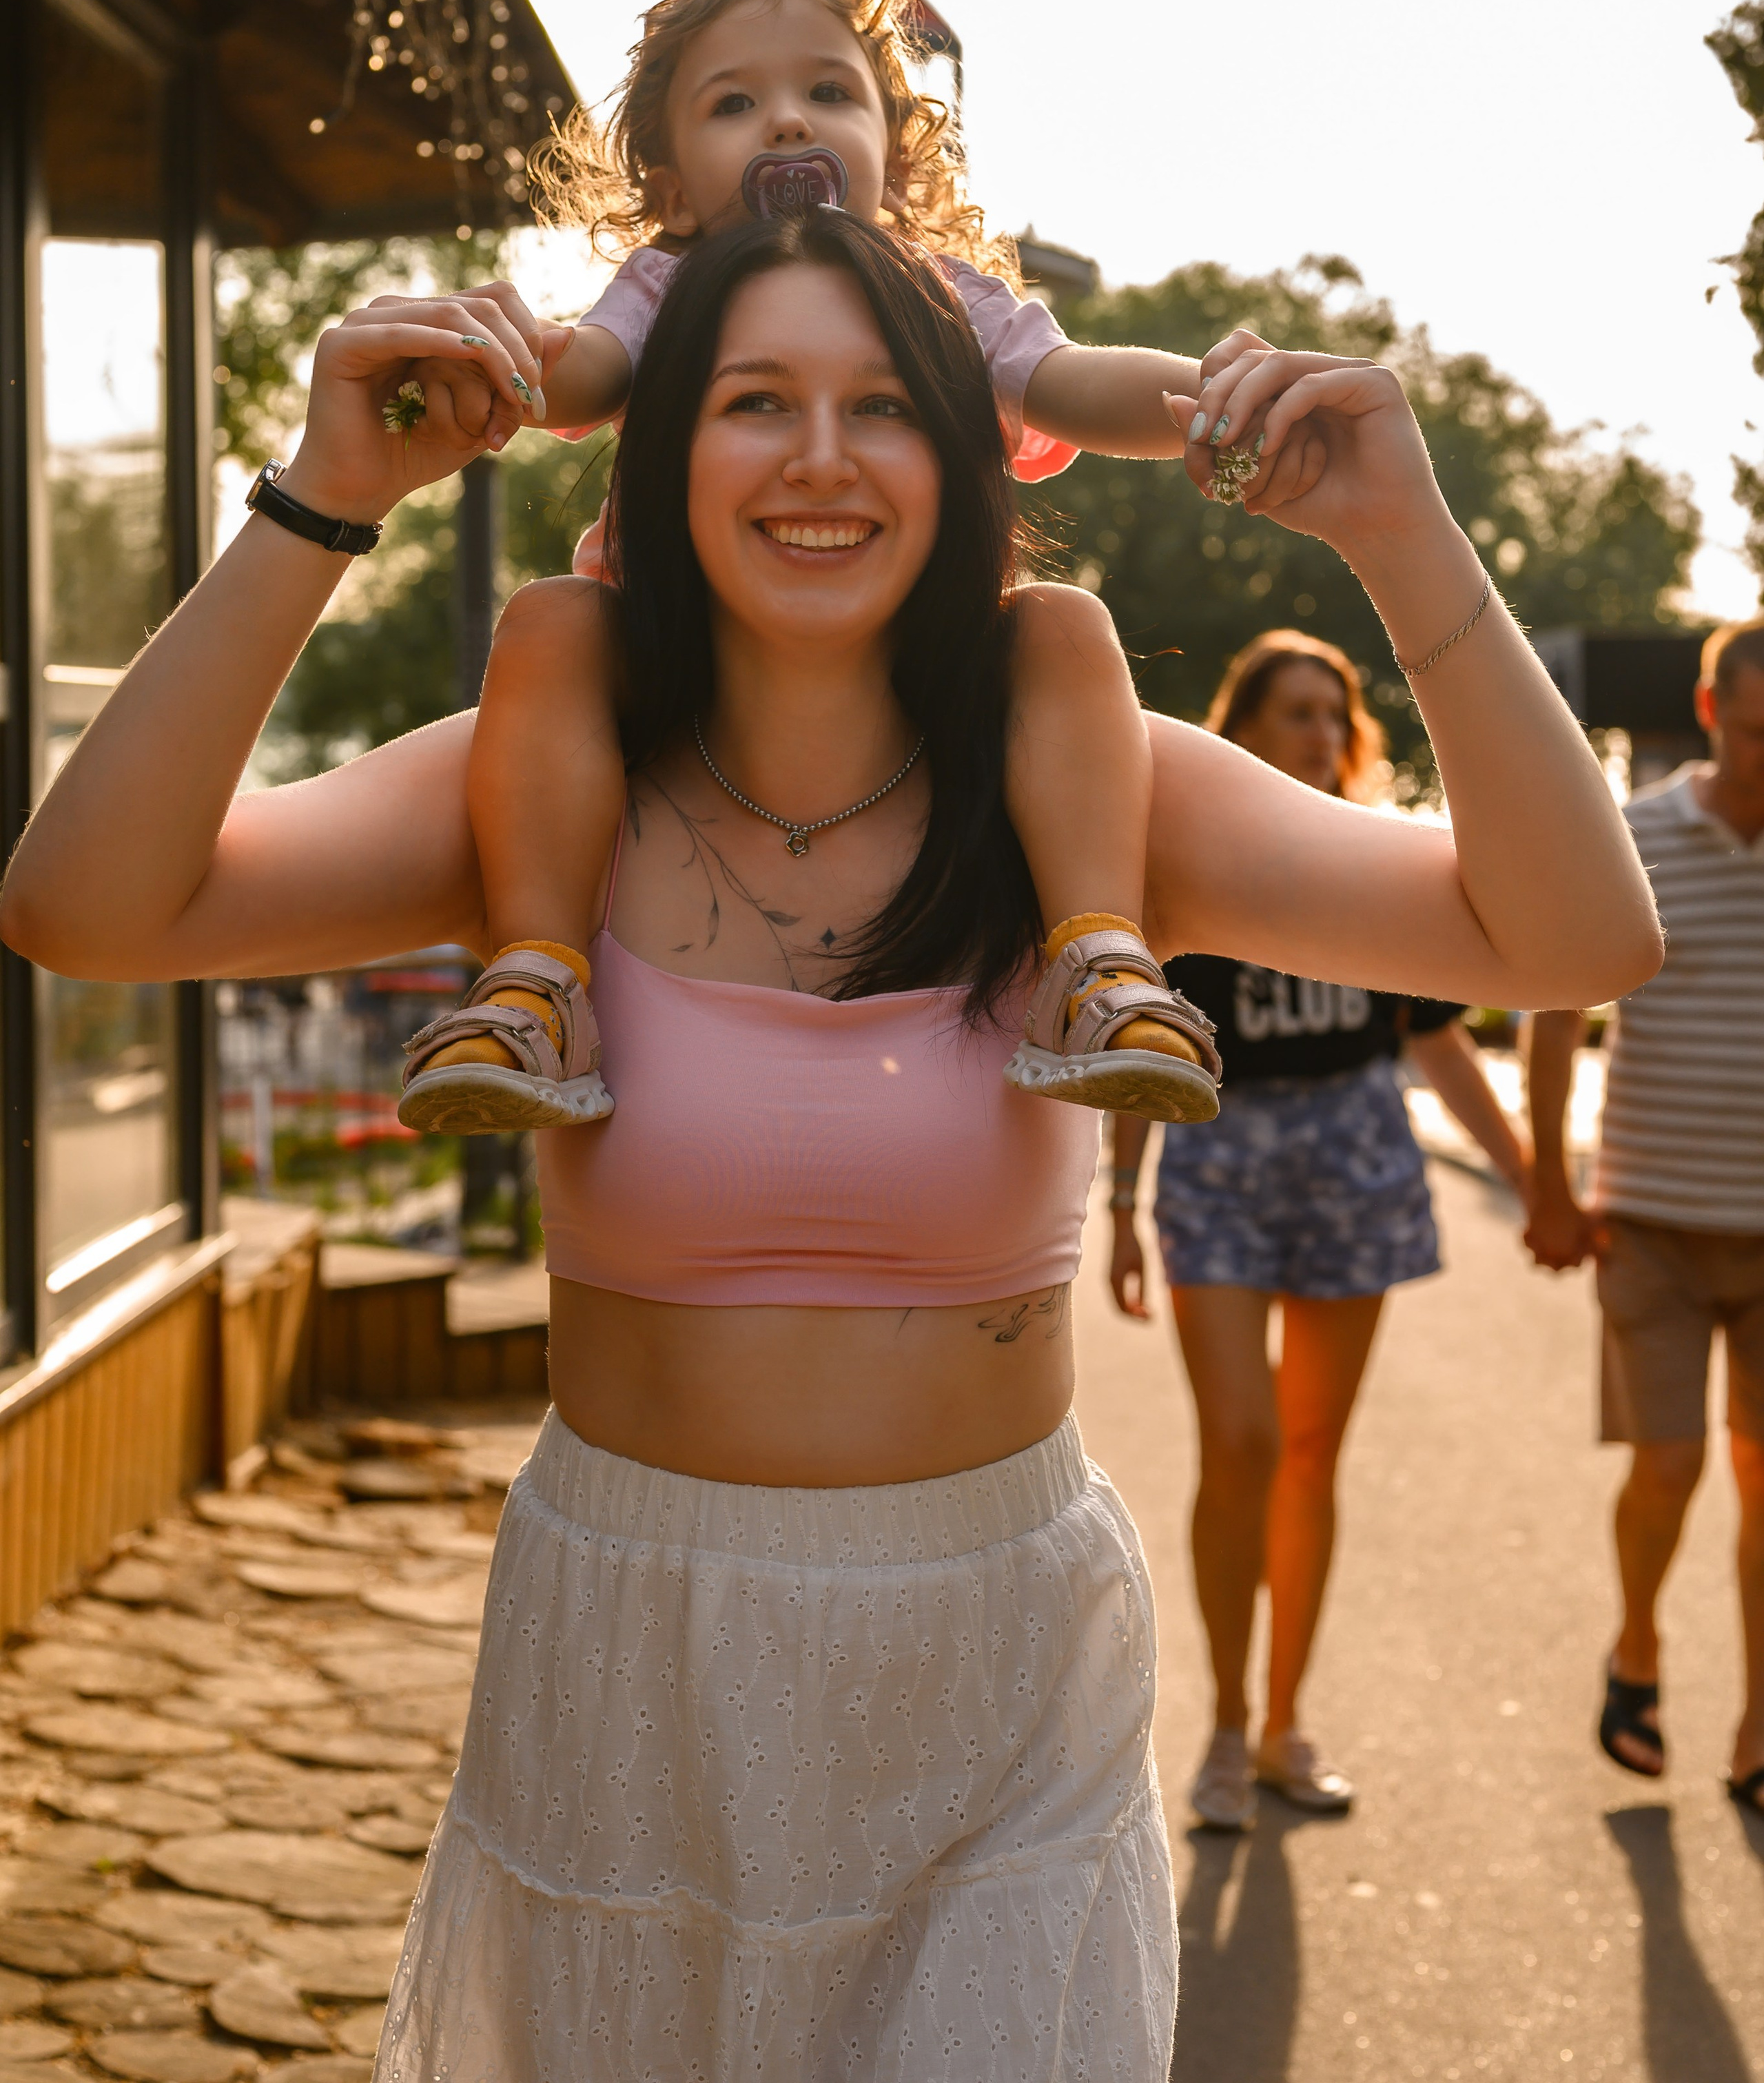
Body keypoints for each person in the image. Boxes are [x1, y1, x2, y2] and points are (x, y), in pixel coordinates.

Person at [1, 217, 1660, 2080]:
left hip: (1000, 1676)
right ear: (659, 454)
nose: (818, 456)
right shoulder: (542, 778)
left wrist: (1400, 537)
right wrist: (321, 500)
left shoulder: (1090, 791)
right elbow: (87, 905)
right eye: (753, 401)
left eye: (883, 406)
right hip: (632, 1664)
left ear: (966, 463)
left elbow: (1578, 944)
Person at [389, 0, 1231, 1140]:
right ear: (675, 193)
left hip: (915, 664)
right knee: (548, 624)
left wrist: (1221, 397)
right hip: (676, 655)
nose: (787, 116)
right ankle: (537, 977)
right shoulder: (664, 286)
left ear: (894, 156)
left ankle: (1097, 961)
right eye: (734, 103)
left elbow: (1069, 380)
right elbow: (581, 369)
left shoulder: (945, 298)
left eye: (831, 94)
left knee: (1063, 627)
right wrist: (489, 353)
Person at [1108, 632, 1534, 1830]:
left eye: (1331, 713)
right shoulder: (1193, 858)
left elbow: (1436, 1037)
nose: (1315, 733)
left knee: (1307, 1453)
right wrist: (1125, 1210)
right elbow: (1142, 1036)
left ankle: (1287, 1722)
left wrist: (1535, 1181)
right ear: (1240, 729)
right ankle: (1227, 1728)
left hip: (1354, 1152)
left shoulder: (1375, 861)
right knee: (1236, 1440)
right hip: (1223, 1152)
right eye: (1292, 711)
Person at [1526, 615, 1764, 1817]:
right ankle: (1637, 1652)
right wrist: (1550, 1186)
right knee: (1668, 1467)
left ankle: (1760, 1732)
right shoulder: (1635, 832)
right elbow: (1560, 1007)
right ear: (1715, 713)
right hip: (1655, 1216)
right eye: (1762, 732)